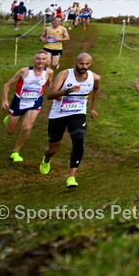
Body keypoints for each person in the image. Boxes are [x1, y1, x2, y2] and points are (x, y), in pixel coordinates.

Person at [40, 53, 100, 188]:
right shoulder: (65, 75)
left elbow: (96, 89)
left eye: (87, 64)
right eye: (81, 64)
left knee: (78, 138)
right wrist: (67, 91)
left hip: (78, 112)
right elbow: (50, 95)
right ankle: (47, 158)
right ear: (75, 62)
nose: (84, 67)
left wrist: (93, 108)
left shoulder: (94, 77)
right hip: (58, 114)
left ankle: (71, 176)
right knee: (53, 148)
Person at [1, 52, 53, 162]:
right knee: (10, 132)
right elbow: (7, 85)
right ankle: (9, 118)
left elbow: (49, 85)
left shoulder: (49, 72)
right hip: (18, 103)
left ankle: (15, 152)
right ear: (34, 60)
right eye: (38, 59)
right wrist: (5, 100)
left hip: (35, 103)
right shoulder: (24, 71)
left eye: (43, 59)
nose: (40, 61)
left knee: (27, 127)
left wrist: (52, 95)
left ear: (47, 61)